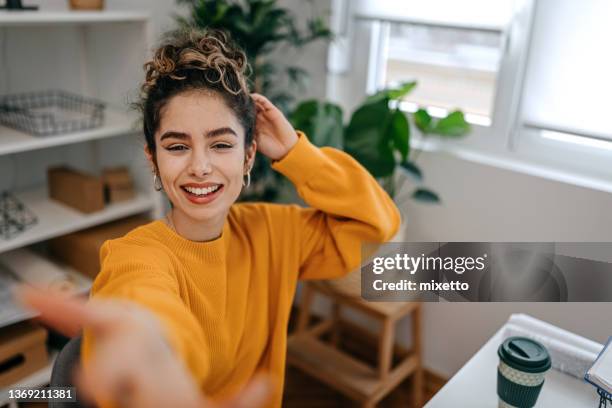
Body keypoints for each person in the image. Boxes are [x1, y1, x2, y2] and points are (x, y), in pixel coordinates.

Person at [20, 27, 401, 408]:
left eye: (221, 144)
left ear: (249, 155)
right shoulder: (132, 256)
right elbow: (143, 300)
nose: (200, 167)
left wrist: (295, 153)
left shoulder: (275, 232)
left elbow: (375, 224)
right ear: (153, 158)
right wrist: (153, 341)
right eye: (177, 146)